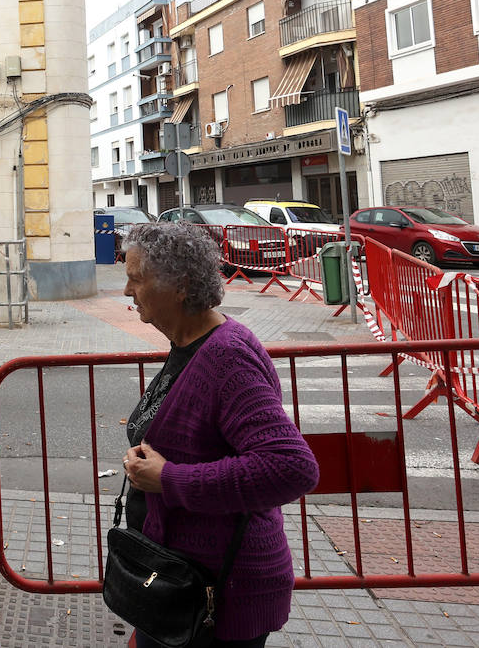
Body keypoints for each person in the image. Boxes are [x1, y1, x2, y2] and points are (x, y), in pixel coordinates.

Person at [119, 221, 318, 648]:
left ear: (181, 286)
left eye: (136, 279)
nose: (126, 291)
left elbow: (291, 467)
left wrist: (169, 479)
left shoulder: (226, 357)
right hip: (175, 582)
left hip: (217, 595)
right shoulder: (189, 343)